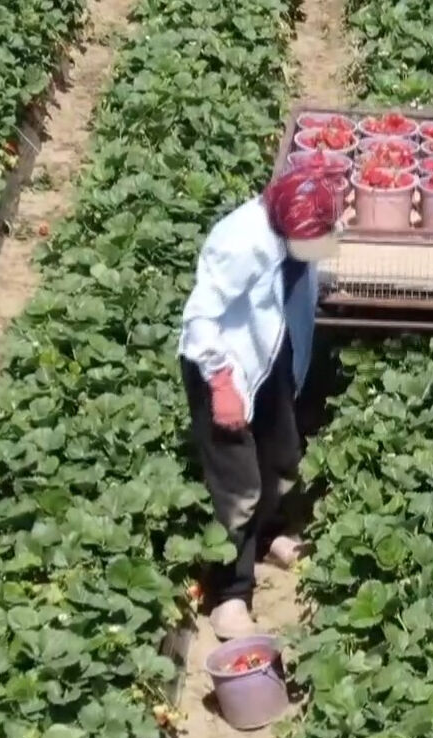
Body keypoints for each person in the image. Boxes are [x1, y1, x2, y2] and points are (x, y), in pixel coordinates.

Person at [178, 163, 343, 640]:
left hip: (267, 355)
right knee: (239, 488)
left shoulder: (302, 218)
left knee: (282, 455)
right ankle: (231, 595)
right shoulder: (240, 242)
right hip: (224, 367)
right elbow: (200, 319)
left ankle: (270, 536)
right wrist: (222, 383)